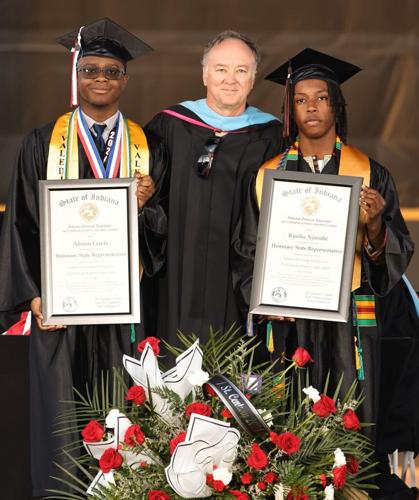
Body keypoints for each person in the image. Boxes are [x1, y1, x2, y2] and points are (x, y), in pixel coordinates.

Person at [234, 48, 418, 499]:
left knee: (353, 438)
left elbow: (393, 256)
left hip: (350, 326)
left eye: (321, 98)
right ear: (290, 110)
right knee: (292, 431)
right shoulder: (265, 177)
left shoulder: (370, 174)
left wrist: (374, 224)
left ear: (336, 105)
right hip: (290, 328)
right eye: (301, 99)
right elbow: (246, 254)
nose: (311, 107)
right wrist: (266, 300)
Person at [0, 18, 167, 497]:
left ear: (124, 80)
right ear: (77, 76)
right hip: (62, 317)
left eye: (111, 71)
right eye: (90, 69)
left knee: (124, 424)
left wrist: (148, 203)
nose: (99, 78)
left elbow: (162, 237)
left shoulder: (147, 147)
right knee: (61, 430)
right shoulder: (40, 143)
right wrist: (33, 298)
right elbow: (20, 225)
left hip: (123, 315)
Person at [145, 31, 282, 347]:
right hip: (178, 275)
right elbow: (149, 205)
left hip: (239, 281)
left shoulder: (272, 137)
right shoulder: (169, 126)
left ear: (253, 78)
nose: (230, 79)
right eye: (221, 69)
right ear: (205, 74)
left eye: (241, 70)